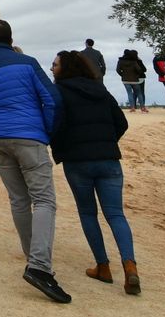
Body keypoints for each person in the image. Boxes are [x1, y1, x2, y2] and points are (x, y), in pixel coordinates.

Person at [0, 18, 70, 304]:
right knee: (44, 200)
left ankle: (32, 256)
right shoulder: (28, 63)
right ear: (11, 38)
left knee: (19, 200)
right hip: (29, 136)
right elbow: (53, 99)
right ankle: (39, 266)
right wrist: (44, 130)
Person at [50, 50, 141, 295]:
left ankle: (103, 267)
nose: (51, 69)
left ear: (65, 68)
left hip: (77, 162)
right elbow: (121, 123)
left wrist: (62, 147)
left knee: (88, 213)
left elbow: (54, 124)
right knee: (116, 214)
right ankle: (130, 266)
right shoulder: (101, 90)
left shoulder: (58, 92)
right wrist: (107, 143)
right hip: (108, 160)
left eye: (55, 65)